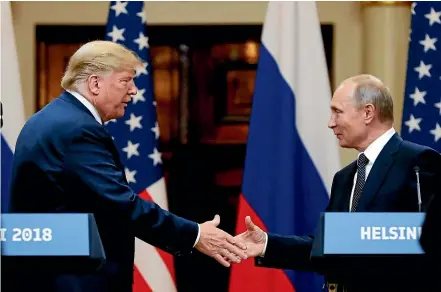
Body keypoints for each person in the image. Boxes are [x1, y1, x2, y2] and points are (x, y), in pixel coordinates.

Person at [5, 40, 247, 292]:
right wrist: (195, 235)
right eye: (125, 81)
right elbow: (119, 205)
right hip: (72, 281)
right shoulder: (76, 129)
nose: (133, 91)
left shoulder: (50, 118)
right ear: (95, 83)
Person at [234, 74, 441, 292]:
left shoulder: (418, 162)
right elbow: (329, 247)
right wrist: (266, 243)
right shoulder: (344, 178)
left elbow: (428, 242)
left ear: (368, 112)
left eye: (337, 112)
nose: (330, 123)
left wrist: (352, 239)